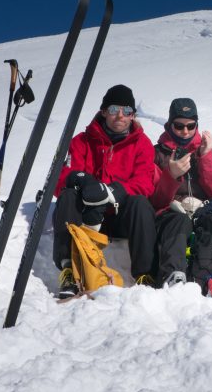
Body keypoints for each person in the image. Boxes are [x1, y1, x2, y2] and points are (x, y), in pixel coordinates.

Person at [52, 84, 157, 297]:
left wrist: (113, 192)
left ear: (133, 115)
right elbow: (59, 181)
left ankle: (144, 276)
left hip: (119, 217)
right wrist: (83, 182)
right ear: (103, 111)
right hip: (86, 218)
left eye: (127, 111)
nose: (120, 115)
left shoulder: (142, 144)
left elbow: (144, 183)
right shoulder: (81, 141)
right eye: (114, 109)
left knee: (140, 203)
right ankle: (69, 270)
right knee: (67, 196)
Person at [149, 98, 212, 297]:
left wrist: (206, 156)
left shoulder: (208, 151)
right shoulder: (157, 153)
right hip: (171, 211)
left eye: (190, 126)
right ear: (170, 125)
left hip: (203, 209)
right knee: (178, 222)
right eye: (179, 126)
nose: (185, 131)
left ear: (197, 125)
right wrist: (172, 175)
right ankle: (173, 275)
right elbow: (155, 198)